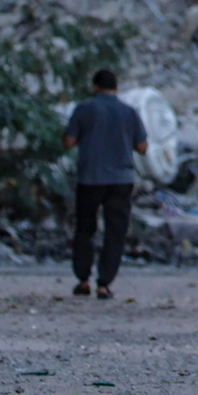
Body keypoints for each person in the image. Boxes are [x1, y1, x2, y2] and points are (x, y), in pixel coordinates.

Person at [62, 69, 148, 299]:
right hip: (121, 180)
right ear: (116, 88)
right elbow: (143, 147)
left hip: (90, 178)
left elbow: (68, 141)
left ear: (95, 86)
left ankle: (82, 280)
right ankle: (104, 283)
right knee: (115, 232)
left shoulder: (84, 109)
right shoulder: (129, 112)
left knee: (85, 229)